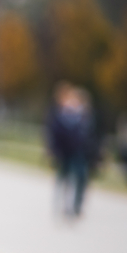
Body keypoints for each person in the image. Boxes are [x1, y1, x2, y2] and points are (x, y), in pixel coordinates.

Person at [46, 82, 95, 218]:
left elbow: (88, 135)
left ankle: (75, 206)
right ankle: (63, 204)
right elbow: (53, 133)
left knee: (79, 178)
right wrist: (54, 150)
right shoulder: (61, 114)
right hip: (64, 152)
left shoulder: (81, 115)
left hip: (78, 152)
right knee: (64, 178)